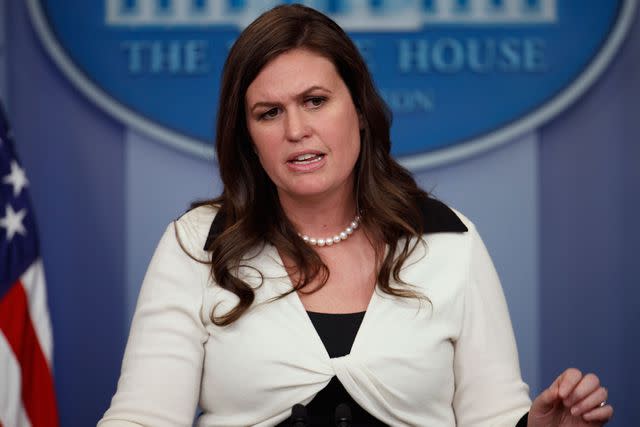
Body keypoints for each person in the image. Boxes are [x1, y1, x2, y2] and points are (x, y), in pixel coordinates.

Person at [98, 5, 612, 427]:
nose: (296, 129)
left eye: (315, 101)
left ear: (360, 111)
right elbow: (143, 418)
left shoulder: (447, 239)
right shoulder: (198, 245)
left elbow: (494, 416)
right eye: (269, 112)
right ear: (248, 138)